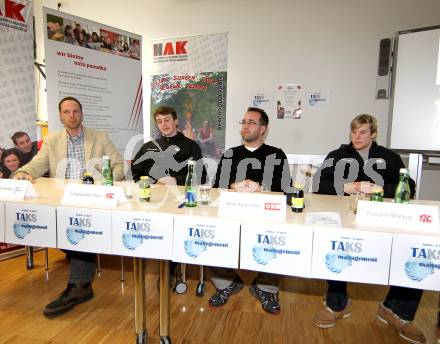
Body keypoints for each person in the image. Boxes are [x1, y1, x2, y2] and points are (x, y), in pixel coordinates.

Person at [312, 114, 425, 344]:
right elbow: (318, 185)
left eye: (363, 132)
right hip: (346, 219)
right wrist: (347, 186)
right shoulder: (337, 155)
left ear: (373, 134)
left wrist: (379, 189)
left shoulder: (390, 158)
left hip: (383, 218)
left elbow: (409, 187)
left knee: (414, 247)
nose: (357, 136)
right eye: (354, 131)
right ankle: (337, 305)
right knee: (335, 245)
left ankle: (396, 310)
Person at [14, 96, 124, 318]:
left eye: (75, 111)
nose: (72, 116)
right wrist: (22, 173)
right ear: (60, 116)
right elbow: (37, 164)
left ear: (82, 114)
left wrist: (100, 183)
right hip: (62, 201)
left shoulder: (99, 137)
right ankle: (77, 257)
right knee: (72, 237)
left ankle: (78, 287)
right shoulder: (52, 140)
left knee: (81, 232)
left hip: (91, 199)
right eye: (67, 112)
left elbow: (119, 166)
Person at [208, 107, 292, 314]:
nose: (245, 126)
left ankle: (265, 288)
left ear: (263, 128)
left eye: (251, 122)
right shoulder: (231, 154)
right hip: (233, 213)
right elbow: (217, 186)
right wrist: (235, 186)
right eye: (243, 122)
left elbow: (286, 189)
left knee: (281, 239)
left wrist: (261, 188)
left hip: (265, 216)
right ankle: (226, 283)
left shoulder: (276, 154)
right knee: (206, 236)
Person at [131, 106, 206, 185]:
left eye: (167, 120)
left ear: (176, 121)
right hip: (152, 193)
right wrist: (151, 183)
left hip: (180, 194)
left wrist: (176, 180)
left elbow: (201, 176)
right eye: (159, 121)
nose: (163, 124)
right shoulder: (148, 146)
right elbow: (134, 172)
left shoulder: (191, 146)